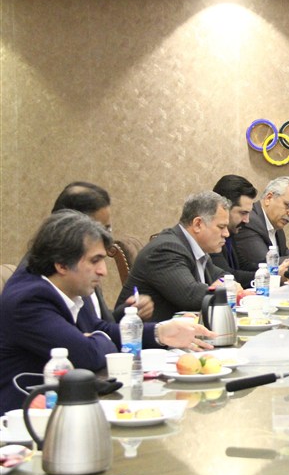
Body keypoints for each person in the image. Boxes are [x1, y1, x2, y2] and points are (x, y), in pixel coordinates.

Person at [0, 210, 216, 415]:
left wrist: (160, 333)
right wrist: (94, 340)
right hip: (25, 421)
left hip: (73, 405)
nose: (103, 271)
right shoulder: (29, 300)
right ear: (61, 264)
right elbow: (87, 356)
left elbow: (100, 329)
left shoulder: (69, 285)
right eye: (95, 260)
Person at [16, 181, 155, 322]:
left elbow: (96, 323)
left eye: (108, 229)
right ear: (73, 225)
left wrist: (129, 312)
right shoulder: (42, 278)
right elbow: (81, 332)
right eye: (101, 229)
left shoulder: (82, 263)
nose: (107, 237)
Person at [115, 191, 235, 323]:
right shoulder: (166, 249)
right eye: (221, 227)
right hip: (146, 334)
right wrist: (226, 289)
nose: (226, 233)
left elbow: (223, 276)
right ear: (198, 224)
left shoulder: (195, 249)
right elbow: (191, 296)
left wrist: (226, 284)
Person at [234, 176, 289, 271]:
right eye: (288, 205)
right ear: (269, 198)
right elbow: (264, 262)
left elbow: (285, 254)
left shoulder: (277, 227)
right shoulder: (249, 221)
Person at [209, 175, 258, 287]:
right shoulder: (211, 236)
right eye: (243, 213)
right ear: (224, 208)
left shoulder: (231, 232)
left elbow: (243, 265)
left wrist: (273, 270)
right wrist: (272, 276)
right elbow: (228, 276)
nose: (247, 220)